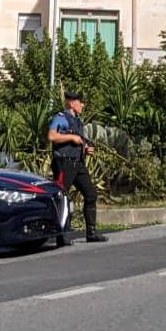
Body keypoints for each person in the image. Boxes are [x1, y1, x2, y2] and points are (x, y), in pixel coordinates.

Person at [48, 90, 107, 245]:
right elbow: (52, 136)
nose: (83, 105)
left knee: (91, 194)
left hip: (78, 164)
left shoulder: (78, 121)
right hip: (64, 164)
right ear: (72, 103)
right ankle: (62, 235)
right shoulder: (61, 118)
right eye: (80, 102)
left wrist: (86, 149)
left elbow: (78, 141)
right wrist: (72, 137)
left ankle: (91, 233)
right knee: (62, 199)